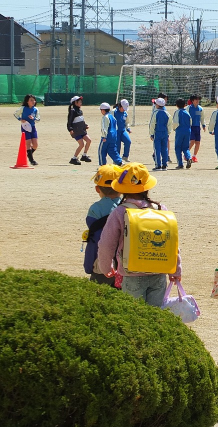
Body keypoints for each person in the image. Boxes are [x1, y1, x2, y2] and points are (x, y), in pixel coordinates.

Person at [98, 162, 182, 307]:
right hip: (159, 272)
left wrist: (106, 267)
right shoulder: (160, 209)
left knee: (133, 313)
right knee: (155, 315)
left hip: (132, 274)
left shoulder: (120, 212)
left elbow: (106, 244)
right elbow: (172, 245)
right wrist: (175, 270)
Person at [84, 164, 122, 286]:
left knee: (98, 292)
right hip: (124, 263)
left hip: (101, 264)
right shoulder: (126, 206)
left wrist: (88, 265)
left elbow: (95, 240)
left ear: (97, 189)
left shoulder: (95, 209)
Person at [14, 94, 40, 166]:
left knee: (35, 145)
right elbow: (15, 114)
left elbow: (38, 119)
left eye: (34, 100)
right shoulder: (23, 108)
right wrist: (20, 119)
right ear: (27, 101)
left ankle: (28, 154)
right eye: (31, 100)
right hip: (25, 127)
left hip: (32, 127)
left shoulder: (36, 109)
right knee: (28, 143)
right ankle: (32, 160)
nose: (33, 101)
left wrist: (34, 118)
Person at [149, 97, 172, 171]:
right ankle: (164, 165)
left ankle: (158, 165)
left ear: (158, 105)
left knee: (157, 149)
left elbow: (152, 124)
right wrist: (168, 133)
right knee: (164, 149)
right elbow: (170, 124)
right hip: (165, 132)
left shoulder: (155, 113)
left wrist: (151, 134)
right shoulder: (167, 113)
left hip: (157, 132)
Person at [67, 95, 92, 165]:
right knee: (81, 144)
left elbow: (81, 120)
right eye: (79, 101)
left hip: (82, 130)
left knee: (89, 140)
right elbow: (69, 121)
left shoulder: (79, 111)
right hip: (76, 131)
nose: (81, 103)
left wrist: (85, 125)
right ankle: (74, 158)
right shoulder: (72, 111)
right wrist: (70, 129)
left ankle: (84, 155)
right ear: (75, 102)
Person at [98, 102, 123, 167]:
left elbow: (104, 128)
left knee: (101, 151)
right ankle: (120, 162)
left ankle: (102, 165)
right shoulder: (112, 117)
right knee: (112, 150)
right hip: (113, 136)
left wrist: (104, 137)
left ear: (103, 110)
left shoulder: (105, 117)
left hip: (107, 136)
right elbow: (116, 127)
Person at [172, 98, 193, 170]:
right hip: (188, 130)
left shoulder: (177, 112)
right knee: (186, 147)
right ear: (185, 105)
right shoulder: (187, 112)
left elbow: (175, 122)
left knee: (178, 147)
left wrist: (174, 128)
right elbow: (190, 122)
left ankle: (180, 164)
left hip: (180, 130)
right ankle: (188, 157)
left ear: (176, 105)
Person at [188, 94, 206, 162]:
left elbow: (202, 118)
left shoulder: (200, 109)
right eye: (196, 99)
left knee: (198, 142)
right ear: (192, 100)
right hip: (190, 127)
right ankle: (186, 154)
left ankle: (194, 156)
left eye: (198, 99)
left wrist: (203, 125)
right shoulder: (188, 108)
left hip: (197, 127)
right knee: (192, 141)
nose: (197, 101)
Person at [113, 99, 131, 163]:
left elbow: (127, 122)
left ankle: (125, 156)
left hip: (123, 131)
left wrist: (128, 128)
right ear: (120, 106)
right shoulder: (113, 112)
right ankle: (116, 160)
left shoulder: (125, 113)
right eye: (123, 108)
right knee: (117, 146)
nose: (124, 110)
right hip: (116, 132)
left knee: (128, 141)